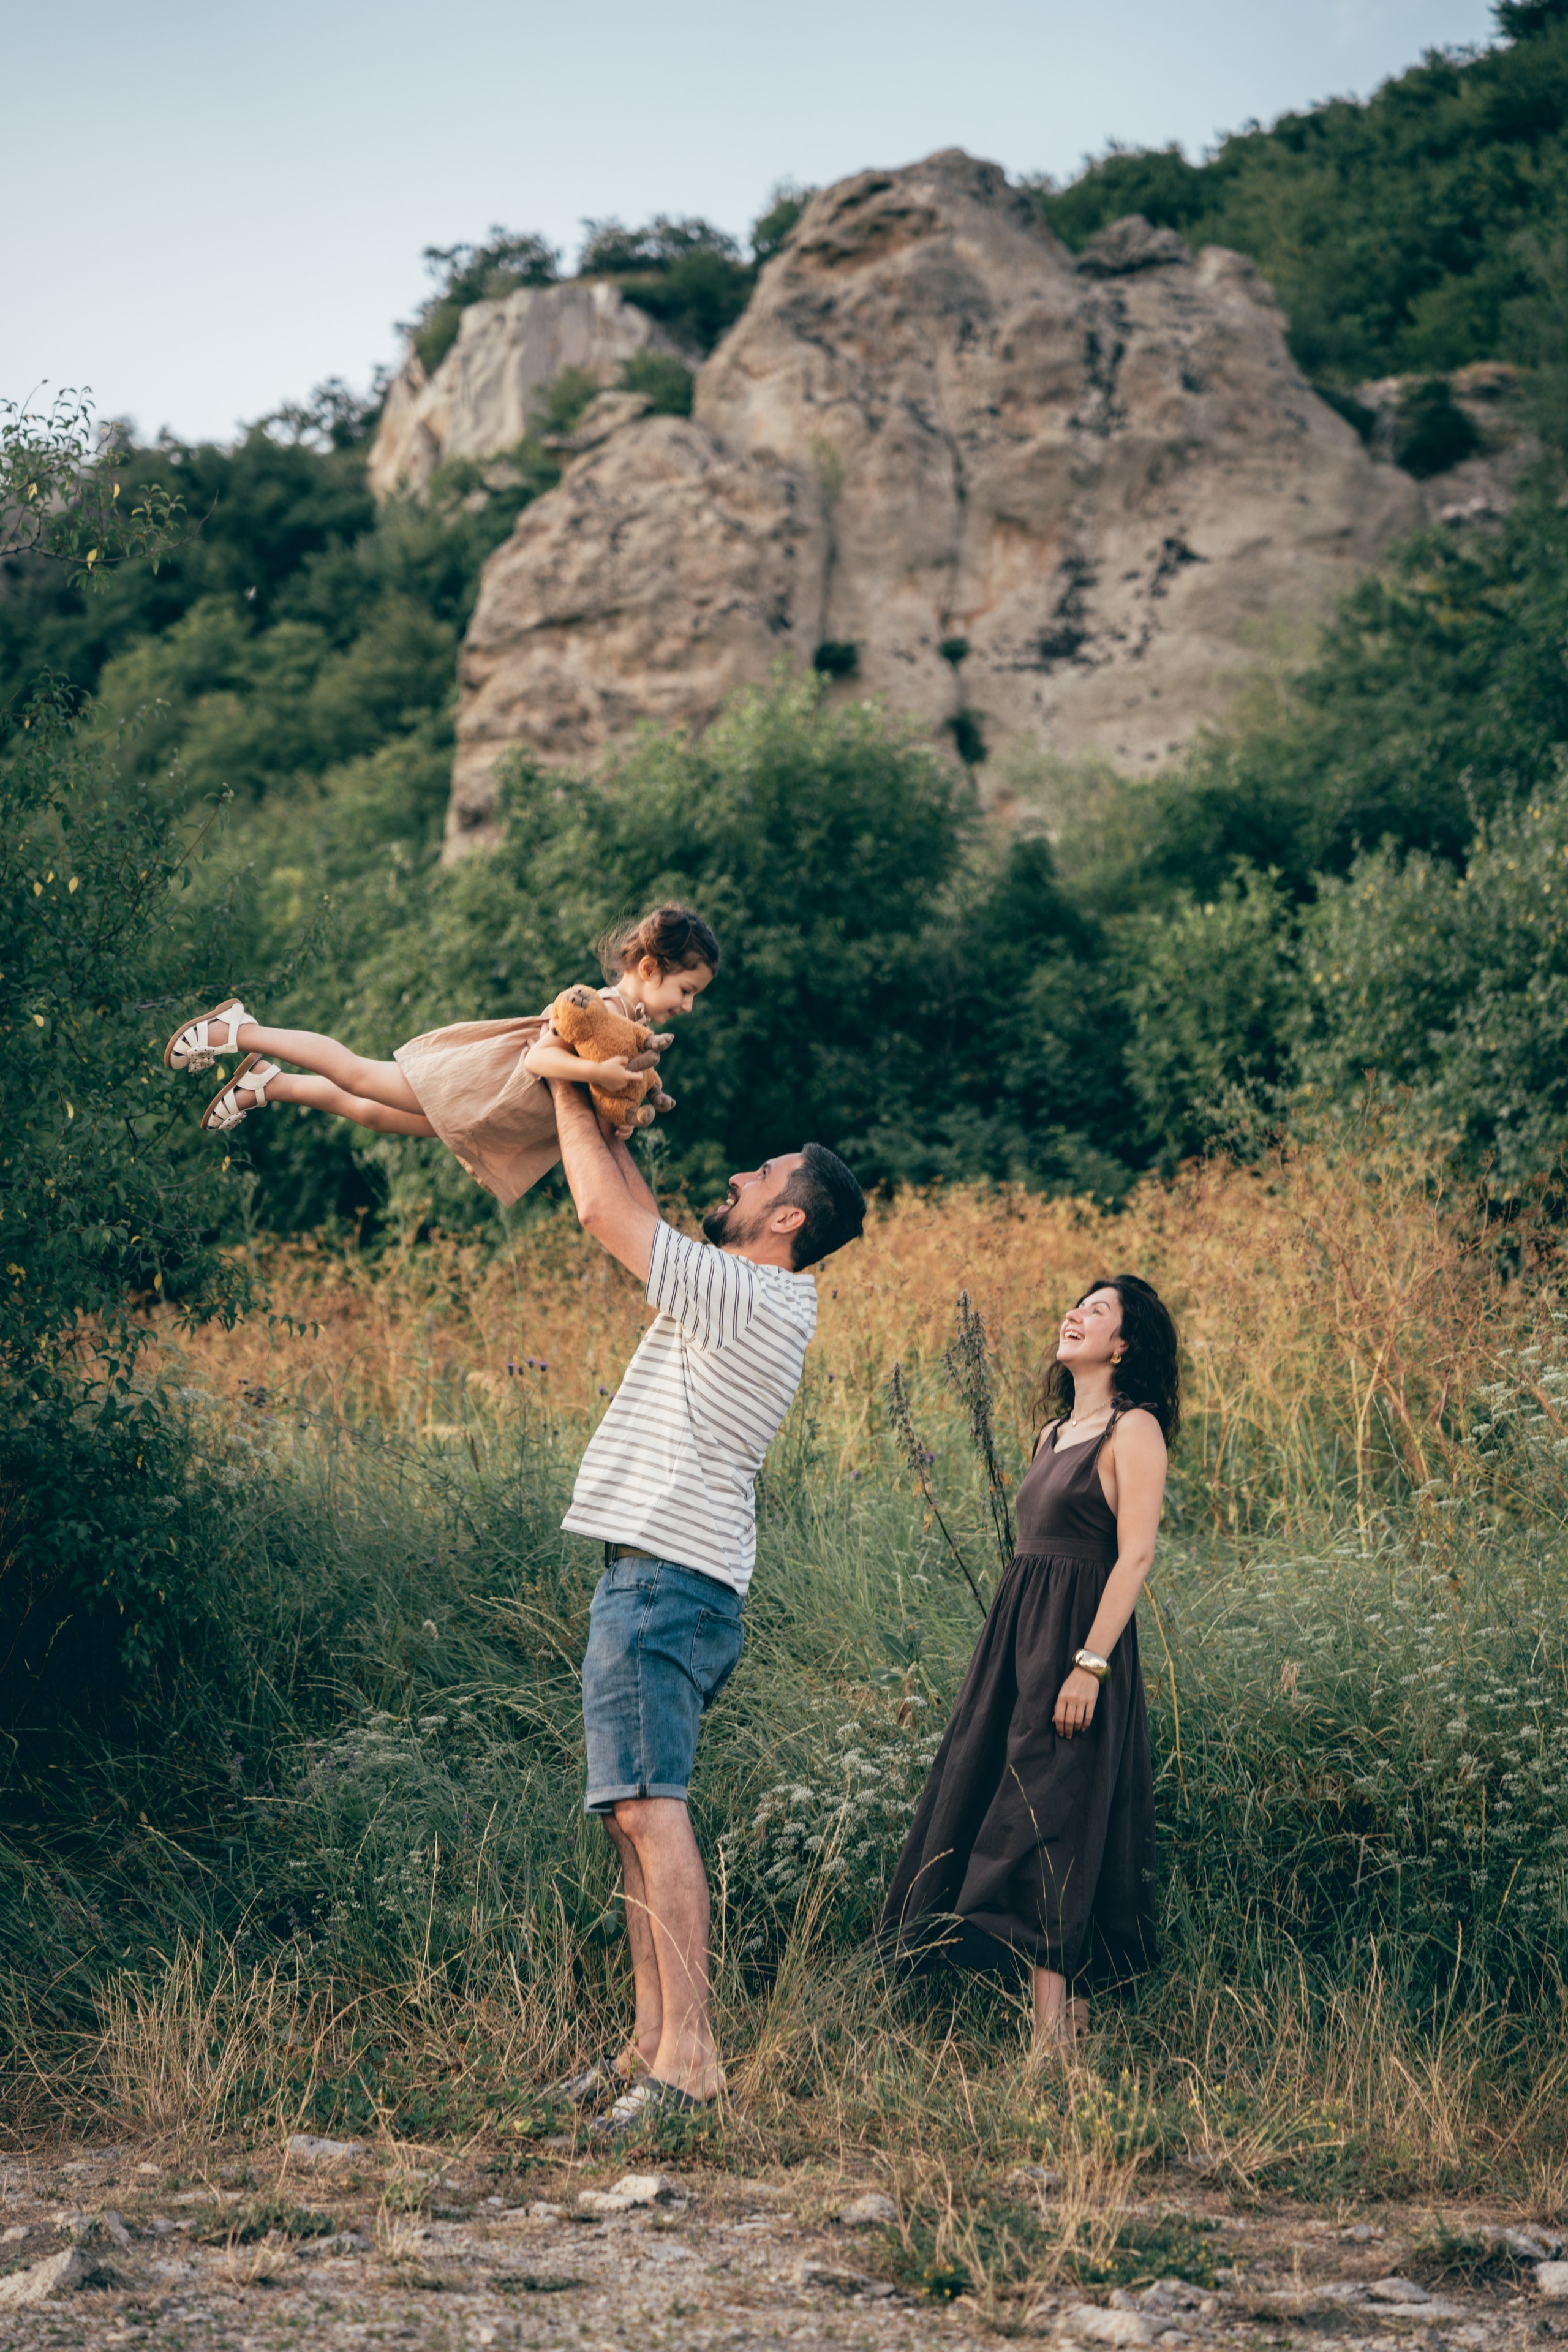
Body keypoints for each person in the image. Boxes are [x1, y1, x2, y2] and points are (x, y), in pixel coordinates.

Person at [545, 1071, 865, 2134]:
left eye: (762, 1173)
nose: (737, 1173)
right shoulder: (746, 1287)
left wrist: (558, 1078)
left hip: (669, 1576)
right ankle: (647, 2044)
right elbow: (627, 1197)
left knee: (651, 1808)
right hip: (665, 1573)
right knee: (633, 1815)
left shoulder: (753, 1294)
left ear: (787, 1217)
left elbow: (601, 1211)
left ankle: (689, 2062)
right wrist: (597, 1110)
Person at [879, 1275, 1178, 2053]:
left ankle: (1050, 2042)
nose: (1076, 1314)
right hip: (1020, 1638)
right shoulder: (1050, 1434)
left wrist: (1090, 1665)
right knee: (1001, 1795)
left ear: (1125, 1344)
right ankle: (1065, 2019)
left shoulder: (1133, 1429)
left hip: (1079, 1644)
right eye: (1078, 1304)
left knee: (1052, 1816)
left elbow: (1135, 1554)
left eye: (1099, 1310)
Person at [158, 902, 720, 1205]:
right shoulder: (597, 1006)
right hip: (486, 1086)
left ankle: (268, 1083)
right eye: (686, 991)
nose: (688, 1007)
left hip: (494, 1113)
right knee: (358, 1074)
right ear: (649, 969)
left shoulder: (633, 1031)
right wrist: (596, 1069)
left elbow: (597, 1095)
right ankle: (240, 1031)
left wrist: (616, 1113)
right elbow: (541, 1062)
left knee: (373, 1113)